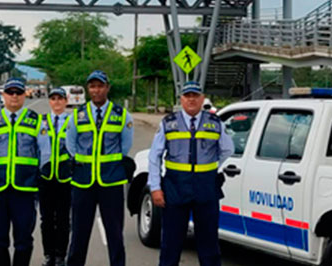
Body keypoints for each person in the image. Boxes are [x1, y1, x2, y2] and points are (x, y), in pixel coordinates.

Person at [147, 81, 234, 266]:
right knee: (170, 244)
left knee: (209, 245)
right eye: (187, 96)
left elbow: (227, 149)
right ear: (181, 99)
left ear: (202, 99)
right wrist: (155, 187)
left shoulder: (215, 123)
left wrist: (211, 165)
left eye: (195, 96)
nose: (191, 99)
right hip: (175, 188)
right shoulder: (168, 123)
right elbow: (154, 156)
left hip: (206, 188)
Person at [0, 77, 52, 266]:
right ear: (3, 95)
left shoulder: (35, 121)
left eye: (18, 92)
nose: (14, 96)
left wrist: (31, 173)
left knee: (24, 239)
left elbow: (45, 153)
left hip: (25, 189)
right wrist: (1, 170)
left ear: (24, 95)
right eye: (10, 92)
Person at [65, 70, 134, 266]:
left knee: (115, 233)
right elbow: (71, 144)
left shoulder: (121, 115)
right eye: (93, 86)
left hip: (111, 181)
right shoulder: (77, 115)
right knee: (79, 233)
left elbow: (125, 145)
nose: (96, 90)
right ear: (88, 89)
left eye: (100, 86)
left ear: (107, 88)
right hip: (83, 181)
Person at [38, 88, 73, 266]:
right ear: (49, 101)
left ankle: (60, 255)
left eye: (60, 98)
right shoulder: (41, 121)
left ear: (66, 101)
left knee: (63, 218)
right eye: (53, 98)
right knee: (46, 219)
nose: (57, 102)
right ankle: (48, 254)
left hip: (65, 177)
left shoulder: (72, 121)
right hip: (45, 177)